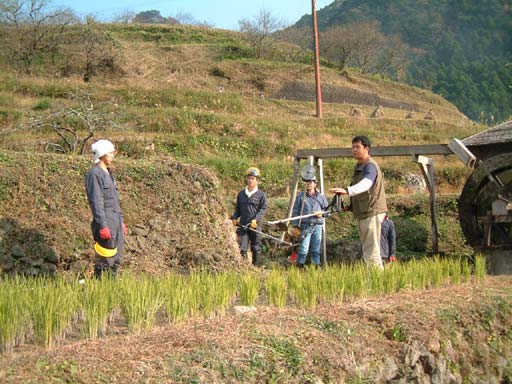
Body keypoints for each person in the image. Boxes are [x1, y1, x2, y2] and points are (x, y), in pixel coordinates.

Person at [331, 135, 388, 270]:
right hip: (364, 212)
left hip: (372, 212)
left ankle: (377, 282)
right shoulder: (359, 166)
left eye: (358, 147)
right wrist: (350, 205)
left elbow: (366, 184)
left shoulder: (370, 166)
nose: (354, 150)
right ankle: (375, 279)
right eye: (353, 147)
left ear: (366, 149)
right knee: (368, 249)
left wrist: (347, 190)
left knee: (372, 250)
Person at [85, 139, 127, 277]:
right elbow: (96, 202)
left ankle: (111, 290)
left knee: (116, 260)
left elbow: (114, 201)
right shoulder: (95, 174)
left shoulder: (109, 173)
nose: (113, 155)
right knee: (105, 262)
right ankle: (99, 289)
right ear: (102, 154)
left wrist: (121, 222)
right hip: (106, 222)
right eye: (110, 153)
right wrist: (102, 225)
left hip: (115, 222)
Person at [231, 167, 267, 266]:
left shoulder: (261, 195)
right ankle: (244, 267)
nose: (251, 180)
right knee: (242, 246)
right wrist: (234, 217)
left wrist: (256, 220)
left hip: (255, 225)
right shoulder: (241, 194)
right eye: (249, 178)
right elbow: (238, 209)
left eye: (253, 178)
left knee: (256, 247)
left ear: (257, 181)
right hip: (243, 225)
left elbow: (262, 209)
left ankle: (257, 267)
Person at [292, 174, 329, 268]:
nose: (308, 184)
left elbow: (328, 212)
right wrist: (295, 226)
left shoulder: (321, 197)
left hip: (317, 226)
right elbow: (296, 211)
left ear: (315, 183)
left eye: (310, 182)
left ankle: (316, 267)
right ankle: (299, 267)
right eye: (306, 182)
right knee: (303, 248)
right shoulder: (301, 196)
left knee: (316, 249)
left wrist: (322, 214)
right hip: (305, 226)